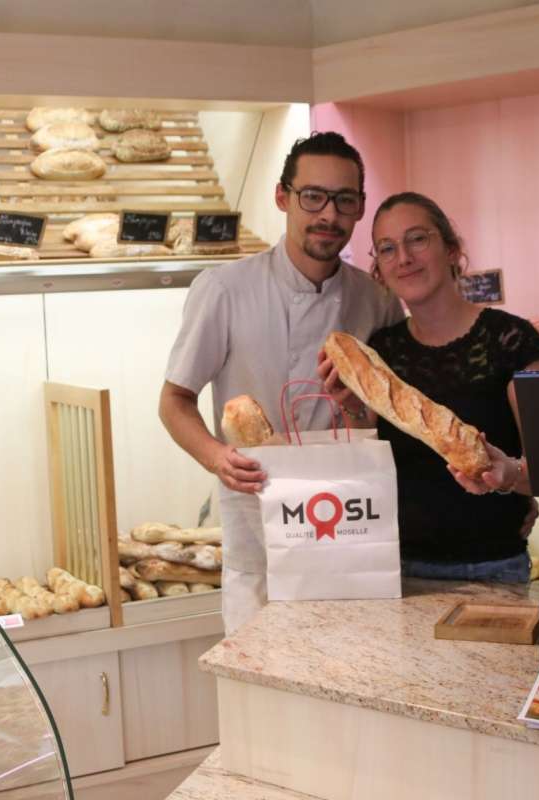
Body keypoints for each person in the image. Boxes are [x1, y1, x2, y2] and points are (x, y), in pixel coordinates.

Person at [159, 132, 403, 634]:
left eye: (345, 200)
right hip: (258, 517)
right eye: (312, 196)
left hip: (351, 523)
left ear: (359, 207)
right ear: (282, 197)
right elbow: (174, 401)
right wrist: (215, 455)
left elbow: (386, 413)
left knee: (350, 665)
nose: (328, 215)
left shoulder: (376, 301)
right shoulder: (224, 289)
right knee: (262, 682)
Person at [319, 191, 539, 583]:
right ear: (379, 269)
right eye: (387, 248)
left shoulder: (513, 340)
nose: (404, 258)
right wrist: (352, 406)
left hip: (494, 567)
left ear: (451, 249)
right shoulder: (381, 351)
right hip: (398, 569)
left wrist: (511, 475)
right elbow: (361, 469)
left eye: (417, 239)